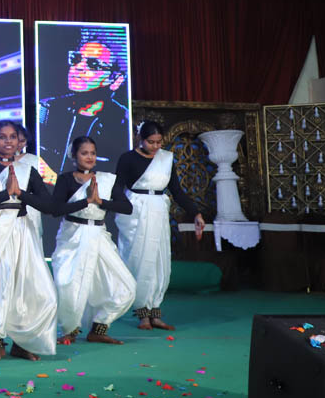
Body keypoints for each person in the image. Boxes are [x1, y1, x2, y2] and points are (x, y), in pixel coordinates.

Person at [0, 120, 59, 361]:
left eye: (12, 137)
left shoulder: (29, 171)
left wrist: (20, 194)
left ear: (19, 141)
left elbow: (49, 206)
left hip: (22, 232)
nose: (8, 141)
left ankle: (21, 343)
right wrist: (5, 194)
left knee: (26, 287)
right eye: (2, 137)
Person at [116, 121, 206, 331]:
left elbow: (177, 190)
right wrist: (121, 208)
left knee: (159, 260)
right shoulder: (128, 158)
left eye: (159, 142)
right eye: (151, 142)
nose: (156, 146)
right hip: (136, 212)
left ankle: (155, 312)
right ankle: (142, 313)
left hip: (158, 211)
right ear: (140, 139)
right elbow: (117, 187)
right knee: (140, 261)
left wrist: (195, 213)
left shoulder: (166, 159)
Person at [50, 136, 136, 345]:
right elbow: (55, 209)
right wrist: (86, 201)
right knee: (68, 286)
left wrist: (100, 201)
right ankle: (69, 330)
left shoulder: (107, 180)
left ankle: (99, 328)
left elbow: (127, 207)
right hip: (73, 236)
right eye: (84, 153)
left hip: (99, 237)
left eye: (93, 153)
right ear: (74, 155)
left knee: (126, 286)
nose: (89, 157)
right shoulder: (66, 179)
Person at [37, 32, 129, 177]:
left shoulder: (123, 122)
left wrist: (55, 179)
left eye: (93, 64)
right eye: (76, 59)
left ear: (116, 80)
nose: (78, 67)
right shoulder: (47, 109)